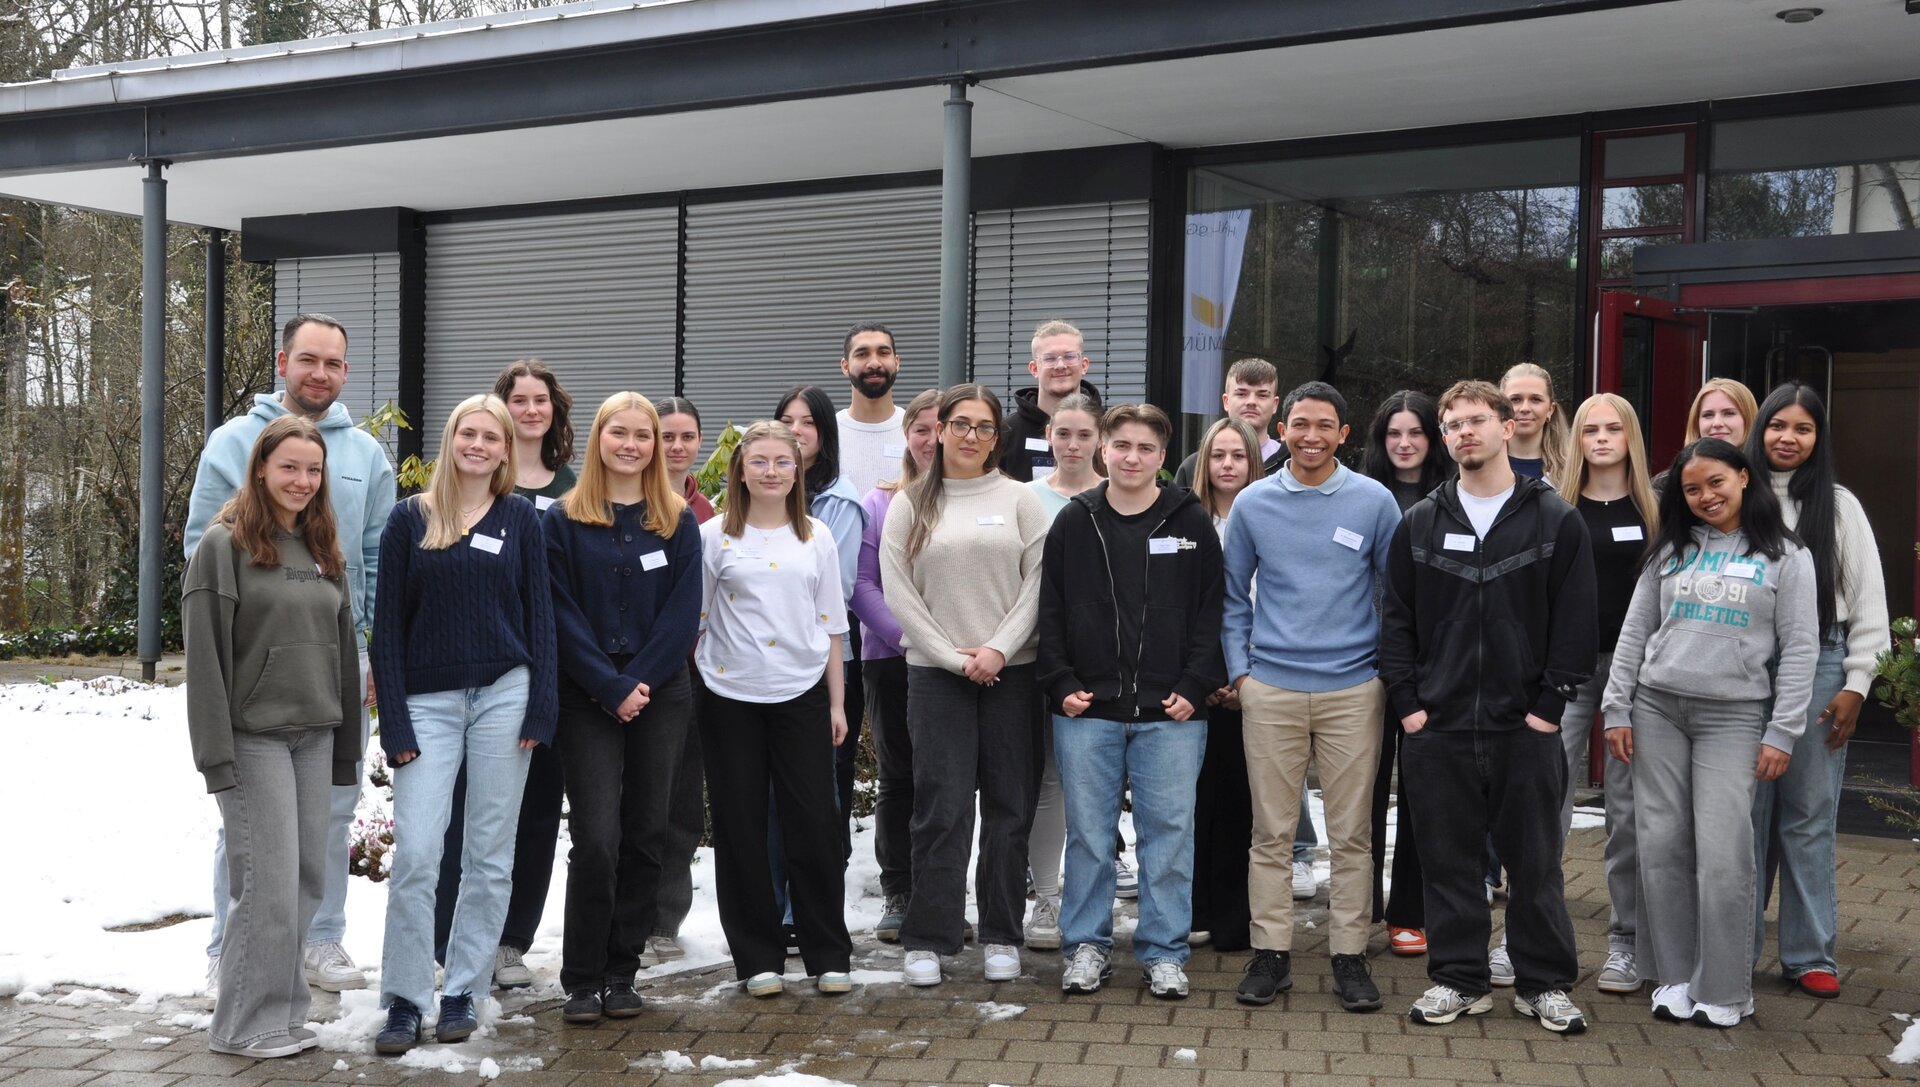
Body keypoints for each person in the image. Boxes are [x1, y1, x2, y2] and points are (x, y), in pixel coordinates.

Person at [184, 313, 396, 998]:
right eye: (308, 359)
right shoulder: (233, 443)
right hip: (257, 661)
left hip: (337, 659)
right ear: (283, 362)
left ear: (346, 372)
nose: (320, 374)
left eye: (333, 363)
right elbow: (202, 548)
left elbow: (376, 558)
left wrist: (371, 651)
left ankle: (321, 935)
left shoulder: (365, 456)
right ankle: (231, 946)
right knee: (250, 819)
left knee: (331, 809)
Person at [1379, 379, 1596, 1035]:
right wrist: (1409, 706)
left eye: (1476, 420)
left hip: (1524, 727)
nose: (1463, 433)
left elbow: (1576, 625)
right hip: (1437, 727)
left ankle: (1543, 983)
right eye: (1453, 425)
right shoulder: (1421, 521)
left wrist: (1548, 709)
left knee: (1535, 866)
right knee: (1448, 864)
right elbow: (1396, 622)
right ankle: (1460, 980)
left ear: (1507, 426)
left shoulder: (1555, 518)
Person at [1600, 438, 1818, 1028]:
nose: (1705, 497)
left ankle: (1725, 988)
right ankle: (1674, 976)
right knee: (1661, 847)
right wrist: (1616, 707)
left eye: (1716, 482)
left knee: (1724, 854)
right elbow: (1634, 631)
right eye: (1692, 489)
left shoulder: (1788, 556)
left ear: (1744, 477)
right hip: (1657, 711)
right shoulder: (1670, 550)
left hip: (1734, 716)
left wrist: (1783, 731)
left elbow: (1801, 648)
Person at [370, 395, 557, 1054]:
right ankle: (404, 997)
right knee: (419, 853)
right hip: (428, 703)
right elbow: (386, 629)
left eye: (491, 436)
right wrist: (395, 722)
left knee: (488, 855)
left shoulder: (521, 520)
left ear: (506, 450)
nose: (478, 444)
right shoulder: (408, 519)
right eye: (467, 433)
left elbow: (541, 619)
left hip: (506, 694)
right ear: (450, 440)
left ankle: (463, 991)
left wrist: (541, 705)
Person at [184, 416, 362, 1058]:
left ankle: (283, 1015)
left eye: (313, 470)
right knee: (265, 884)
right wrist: (215, 757)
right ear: (260, 468)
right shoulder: (224, 545)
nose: (302, 480)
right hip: (253, 736)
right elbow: (204, 658)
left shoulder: (323, 547)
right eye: (289, 467)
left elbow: (344, 651)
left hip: (315, 735)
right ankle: (242, 1026)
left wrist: (347, 745)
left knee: (306, 879)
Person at [1222, 382, 1402, 1013]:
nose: (1311, 436)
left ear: (1344, 434)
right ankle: (1270, 953)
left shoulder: (1374, 501)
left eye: (1325, 425)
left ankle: (1349, 954)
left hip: (1353, 689)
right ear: (1283, 429)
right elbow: (1230, 595)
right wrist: (1241, 675)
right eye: (1300, 424)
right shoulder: (1253, 503)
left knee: (1352, 834)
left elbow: (1396, 594)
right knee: (1271, 832)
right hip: (1270, 688)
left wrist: (1382, 672)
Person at [1040, 402, 1225, 1000]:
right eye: (1121, 445)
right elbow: (1050, 609)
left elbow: (1213, 612)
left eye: (1146, 448)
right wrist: (1060, 682)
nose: (1132, 457)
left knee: (1168, 837)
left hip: (1171, 711)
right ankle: (1085, 947)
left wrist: (1195, 686)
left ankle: (1164, 951)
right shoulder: (1075, 521)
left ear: (1162, 457)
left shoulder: (1189, 521)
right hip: (1087, 709)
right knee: (1089, 838)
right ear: (1104, 450)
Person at [882, 384, 1048, 986]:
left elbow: (1038, 584)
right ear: (940, 429)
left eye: (983, 426)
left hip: (1014, 673)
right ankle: (930, 937)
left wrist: (999, 648)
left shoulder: (1021, 499)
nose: (971, 436)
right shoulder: (910, 504)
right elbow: (899, 591)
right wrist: (955, 659)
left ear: (997, 436)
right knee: (941, 809)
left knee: (1009, 808)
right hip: (937, 677)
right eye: (960, 424)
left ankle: (1002, 933)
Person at [544, 393, 701, 1023]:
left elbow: (682, 614)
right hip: (586, 696)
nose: (631, 445)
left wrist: (636, 681)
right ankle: (582, 978)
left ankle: (621, 972)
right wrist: (609, 686)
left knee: (646, 835)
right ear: (599, 439)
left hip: (660, 694)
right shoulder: (562, 519)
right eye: (619, 432)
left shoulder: (678, 520)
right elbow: (558, 611)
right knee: (597, 839)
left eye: (643, 435)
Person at [696, 421, 854, 998]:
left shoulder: (817, 537)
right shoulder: (713, 536)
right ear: (739, 470)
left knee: (813, 823)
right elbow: (698, 618)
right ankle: (756, 957)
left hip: (802, 691)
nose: (770, 471)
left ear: (797, 470)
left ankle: (827, 953)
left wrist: (837, 703)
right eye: (758, 461)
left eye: (782, 462)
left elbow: (832, 626)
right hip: (729, 694)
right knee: (739, 825)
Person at [432, 359, 576, 992]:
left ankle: (512, 940)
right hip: (480, 670)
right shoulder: (472, 482)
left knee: (538, 809)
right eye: (518, 400)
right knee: (465, 810)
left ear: (555, 411)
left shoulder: (575, 486)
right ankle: (450, 939)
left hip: (557, 668)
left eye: (541, 400)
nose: (530, 410)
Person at [1747, 382, 1889, 1000]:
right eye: (1778, 425)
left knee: (1807, 814)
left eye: (1803, 429)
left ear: (1818, 437)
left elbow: (1871, 605)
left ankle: (1809, 955)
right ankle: (1734, 949)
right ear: (1760, 429)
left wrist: (1858, 683)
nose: (1788, 438)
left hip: (1823, 667)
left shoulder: (1838, 505)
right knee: (1745, 816)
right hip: (1746, 667)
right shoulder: (1738, 496)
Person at [1553, 393, 1660, 995]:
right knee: (1548, 805)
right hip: (1566, 672)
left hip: (1635, 673)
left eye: (1612, 429)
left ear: (1630, 437)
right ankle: (1531, 933)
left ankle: (1626, 941)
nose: (1600, 438)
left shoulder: (1657, 510)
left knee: (1627, 813)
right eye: (1589, 429)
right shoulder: (1555, 505)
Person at [1359, 390, 1452, 959]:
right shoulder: (1360, 493)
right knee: (1364, 791)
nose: (1404, 443)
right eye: (1394, 433)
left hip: (1431, 668)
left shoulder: (1453, 497)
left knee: (1422, 794)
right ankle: (1360, 906)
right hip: (1366, 666)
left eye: (1415, 432)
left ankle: (1410, 912)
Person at [850, 389, 941, 944]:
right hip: (893, 658)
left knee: (949, 783)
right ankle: (900, 890)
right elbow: (861, 584)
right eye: (921, 429)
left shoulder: (983, 498)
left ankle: (940, 893)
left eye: (942, 427)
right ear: (906, 436)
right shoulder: (880, 502)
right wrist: (907, 639)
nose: (932, 439)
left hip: (962, 663)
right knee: (900, 777)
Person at [1021, 392, 1106, 951]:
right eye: (1063, 433)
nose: (1072, 445)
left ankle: (1091, 894)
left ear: (1099, 440)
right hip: (1036, 659)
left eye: (1084, 435)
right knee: (1049, 782)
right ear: (1048, 436)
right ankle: (1047, 898)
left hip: (1101, 664)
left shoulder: (1117, 494)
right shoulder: (1025, 498)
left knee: (1096, 788)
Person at [776, 385, 869, 858]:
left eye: (808, 422)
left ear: (825, 432)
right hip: (764, 657)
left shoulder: (840, 500)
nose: (796, 431)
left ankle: (824, 880)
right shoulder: (760, 487)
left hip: (823, 654)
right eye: (787, 421)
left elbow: (841, 587)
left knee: (825, 774)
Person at [1187, 418, 1264, 954]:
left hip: (1257, 681)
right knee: (1194, 803)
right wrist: (1208, 677)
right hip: (1194, 685)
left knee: (1243, 804)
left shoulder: (1268, 515)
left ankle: (1236, 917)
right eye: (1218, 455)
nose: (1228, 465)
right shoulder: (1184, 519)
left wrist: (1243, 675)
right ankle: (1194, 909)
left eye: (1238, 455)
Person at [646, 396, 714, 968]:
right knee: (632, 803)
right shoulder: (623, 501)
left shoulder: (709, 512)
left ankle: (665, 920)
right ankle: (623, 914)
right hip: (630, 674)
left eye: (686, 436)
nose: (676, 446)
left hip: (692, 676)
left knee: (681, 804)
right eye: (665, 435)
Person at [1002, 320, 1103, 482]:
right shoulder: (1005, 433)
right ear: (1034, 368)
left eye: (1069, 356)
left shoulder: (1107, 429)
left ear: (1084, 365)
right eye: (1049, 358)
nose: (1060, 365)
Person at [1171, 357, 1287, 488]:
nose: (1251, 402)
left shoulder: (1291, 466)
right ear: (1226, 401)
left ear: (1275, 404)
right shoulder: (1193, 467)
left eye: (1262, 395)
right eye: (1241, 394)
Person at [835, 322, 908, 496]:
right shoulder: (827, 433)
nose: (874, 363)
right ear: (845, 366)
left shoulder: (916, 430)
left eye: (883, 353)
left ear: (897, 362)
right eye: (862, 354)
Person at [1653, 379, 1759, 495]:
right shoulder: (1664, 486)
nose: (1717, 423)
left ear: (1749, 419)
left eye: (1729, 413)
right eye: (1708, 415)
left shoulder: (1768, 478)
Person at [1501, 362, 1568, 482]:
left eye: (1535, 399)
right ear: (1500, 407)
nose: (1525, 408)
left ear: (1550, 409)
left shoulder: (1573, 472)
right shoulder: (1481, 466)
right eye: (1515, 399)